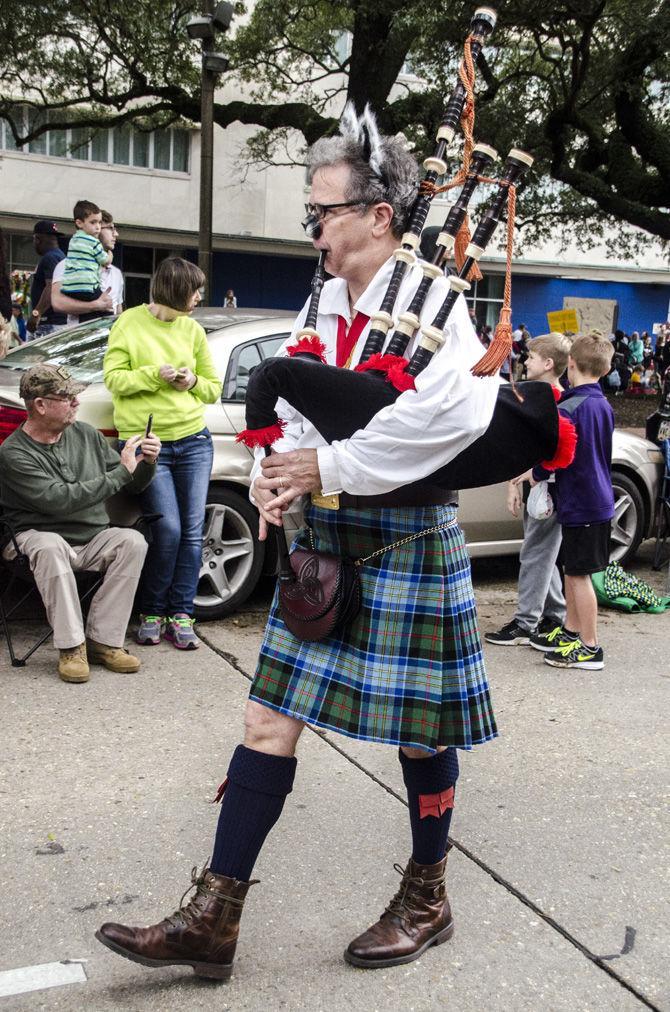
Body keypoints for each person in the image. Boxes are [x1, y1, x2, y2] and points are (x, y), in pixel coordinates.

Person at [96, 110, 499, 979]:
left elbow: (454, 418)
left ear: (378, 215)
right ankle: (215, 916)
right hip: (326, 535)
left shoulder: (436, 304)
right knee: (265, 716)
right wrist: (281, 472)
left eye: (320, 211)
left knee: (419, 732)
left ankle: (428, 895)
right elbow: (300, 404)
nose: (311, 228)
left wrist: (333, 466)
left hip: (403, 536)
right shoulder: (325, 301)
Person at [0, 364, 160, 683]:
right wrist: (121, 471)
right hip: (32, 541)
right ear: (40, 405)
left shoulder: (86, 434)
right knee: (49, 546)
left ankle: (103, 642)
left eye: (76, 396)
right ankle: (72, 647)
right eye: (67, 396)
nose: (76, 402)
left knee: (132, 542)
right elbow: (59, 500)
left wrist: (147, 462)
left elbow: (133, 484)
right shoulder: (13, 452)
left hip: (89, 539)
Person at [103, 257, 222, 650]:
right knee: (167, 529)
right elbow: (114, 380)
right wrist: (155, 374)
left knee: (191, 533)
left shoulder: (192, 329)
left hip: (194, 440)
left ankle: (181, 614)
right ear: (174, 291)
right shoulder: (129, 323)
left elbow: (212, 388)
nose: (199, 296)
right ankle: (151, 611)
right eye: (195, 290)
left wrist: (189, 381)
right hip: (148, 444)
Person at [534, 331, 615, 670]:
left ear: (570, 364)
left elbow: (559, 454)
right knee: (572, 569)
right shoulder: (602, 404)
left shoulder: (570, 407)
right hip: (595, 498)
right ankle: (571, 630)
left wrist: (533, 473)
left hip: (582, 501)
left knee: (580, 576)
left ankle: (590, 645)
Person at [485, 332, 571, 649]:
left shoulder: (557, 403)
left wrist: (527, 479)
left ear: (548, 363)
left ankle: (526, 622)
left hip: (546, 489)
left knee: (535, 552)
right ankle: (553, 614)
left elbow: (556, 453)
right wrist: (515, 483)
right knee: (541, 552)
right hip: (539, 487)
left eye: (532, 357)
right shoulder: (541, 397)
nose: (526, 361)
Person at [52, 209, 121, 325]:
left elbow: (118, 309)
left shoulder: (116, 273)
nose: (116, 234)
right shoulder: (68, 264)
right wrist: (95, 306)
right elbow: (58, 303)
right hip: (80, 337)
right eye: (110, 228)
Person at [59, 199, 112, 308]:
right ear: (79, 223)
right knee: (107, 305)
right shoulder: (93, 241)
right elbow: (104, 261)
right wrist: (110, 256)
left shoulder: (73, 240)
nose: (98, 226)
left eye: (99, 222)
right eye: (93, 222)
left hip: (70, 288)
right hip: (87, 286)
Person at [26, 220, 67, 339]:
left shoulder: (50, 258)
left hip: (49, 323)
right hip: (56, 322)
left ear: (37, 239)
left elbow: (51, 288)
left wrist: (36, 314)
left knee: (34, 357)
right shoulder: (61, 256)